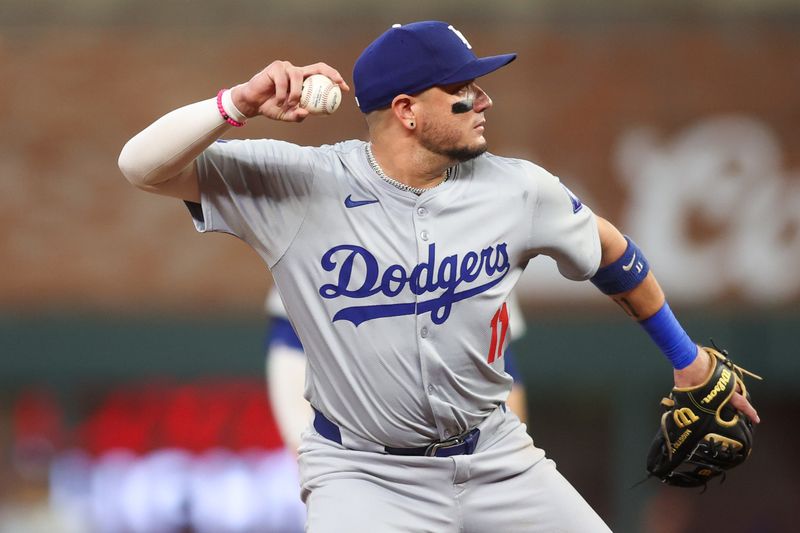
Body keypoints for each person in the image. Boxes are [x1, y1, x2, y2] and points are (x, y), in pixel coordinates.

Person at [118, 20, 759, 532]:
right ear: (407, 110)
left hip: (498, 460)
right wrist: (238, 103)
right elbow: (139, 166)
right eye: (464, 88)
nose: (483, 99)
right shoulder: (299, 185)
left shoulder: (518, 189)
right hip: (363, 476)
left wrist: (686, 357)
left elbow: (613, 253)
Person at [264, 289, 529, 453]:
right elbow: (293, 358)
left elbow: (505, 378)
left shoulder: (479, 225)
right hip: (353, 467)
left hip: (455, 468)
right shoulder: (322, 216)